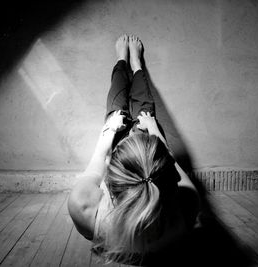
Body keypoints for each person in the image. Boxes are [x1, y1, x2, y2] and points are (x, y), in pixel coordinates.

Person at [68, 34, 200, 265]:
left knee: (115, 109)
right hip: (141, 158)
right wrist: (152, 130)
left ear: (109, 182)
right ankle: (137, 65)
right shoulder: (187, 205)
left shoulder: (83, 205)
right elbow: (171, 161)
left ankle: (122, 59)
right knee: (145, 114)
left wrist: (109, 131)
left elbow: (99, 157)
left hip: (131, 154)